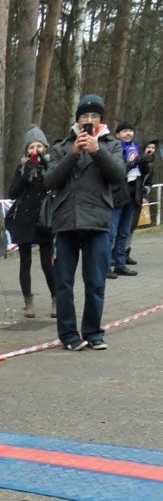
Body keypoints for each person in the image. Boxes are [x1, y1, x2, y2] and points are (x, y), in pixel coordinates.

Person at [43, 94, 124, 351]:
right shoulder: (61, 147)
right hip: (66, 222)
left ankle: (93, 332)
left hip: (98, 221)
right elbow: (50, 181)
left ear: (101, 121)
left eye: (94, 116)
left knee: (96, 282)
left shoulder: (111, 145)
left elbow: (118, 175)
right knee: (64, 283)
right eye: (84, 116)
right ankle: (68, 335)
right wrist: (74, 153)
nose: (88, 121)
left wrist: (97, 151)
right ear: (77, 120)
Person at [5, 126, 56, 318]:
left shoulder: (51, 165)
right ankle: (28, 302)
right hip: (24, 219)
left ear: (45, 147)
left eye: (39, 146)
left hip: (44, 219)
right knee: (24, 262)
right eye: (32, 146)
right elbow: (12, 193)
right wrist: (25, 176)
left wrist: (45, 167)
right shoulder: (22, 167)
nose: (35, 150)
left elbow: (54, 184)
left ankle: (55, 298)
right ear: (27, 150)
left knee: (47, 262)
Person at [107, 122, 141, 278]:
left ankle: (120, 263)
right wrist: (130, 164)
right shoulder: (115, 149)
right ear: (118, 134)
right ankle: (105, 264)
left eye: (130, 131)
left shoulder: (135, 147)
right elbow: (116, 172)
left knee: (124, 232)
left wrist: (145, 162)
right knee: (111, 232)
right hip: (117, 193)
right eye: (125, 131)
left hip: (132, 193)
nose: (128, 134)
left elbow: (141, 172)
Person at [124, 137, 158, 266]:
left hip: (138, 197)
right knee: (123, 226)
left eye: (153, 148)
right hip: (128, 195)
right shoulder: (135, 160)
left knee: (132, 227)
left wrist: (146, 190)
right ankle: (116, 253)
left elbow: (150, 183)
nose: (151, 150)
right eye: (148, 147)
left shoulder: (152, 165)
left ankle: (126, 252)